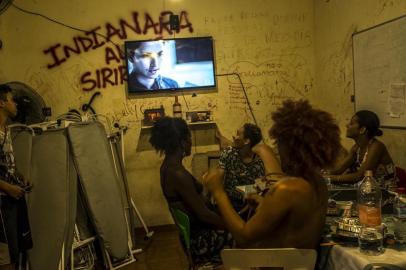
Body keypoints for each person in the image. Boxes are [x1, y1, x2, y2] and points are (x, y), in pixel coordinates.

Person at [203, 100, 341, 248]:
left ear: (290, 147)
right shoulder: (318, 182)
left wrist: (218, 192)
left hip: (274, 263)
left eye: (279, 143)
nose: (278, 150)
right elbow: (294, 223)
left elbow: (243, 237)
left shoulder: (288, 189)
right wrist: (264, 204)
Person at [149, 116, 230, 263]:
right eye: (189, 138)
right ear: (181, 142)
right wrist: (232, 227)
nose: (191, 143)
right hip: (201, 241)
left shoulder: (168, 167)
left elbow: (191, 196)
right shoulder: (177, 174)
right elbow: (204, 215)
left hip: (193, 236)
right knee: (249, 234)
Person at [0, 84, 33, 270]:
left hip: (13, 201)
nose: (16, 104)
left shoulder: (7, 130)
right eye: (12, 100)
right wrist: (9, 188)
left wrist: (20, 176)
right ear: (2, 103)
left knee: (18, 248)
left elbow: (6, 163)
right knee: (6, 256)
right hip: (2, 204)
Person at [215, 124, 282, 212]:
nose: (234, 136)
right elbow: (219, 178)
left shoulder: (259, 160)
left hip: (251, 203)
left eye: (238, 134)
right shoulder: (228, 153)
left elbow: (262, 186)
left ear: (246, 141)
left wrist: (248, 191)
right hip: (231, 202)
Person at [327, 110, 396, 186]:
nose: (347, 125)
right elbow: (339, 169)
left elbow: (360, 176)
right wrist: (319, 174)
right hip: (368, 190)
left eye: (351, 123)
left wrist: (329, 178)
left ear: (362, 129)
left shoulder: (376, 146)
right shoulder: (356, 148)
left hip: (386, 191)